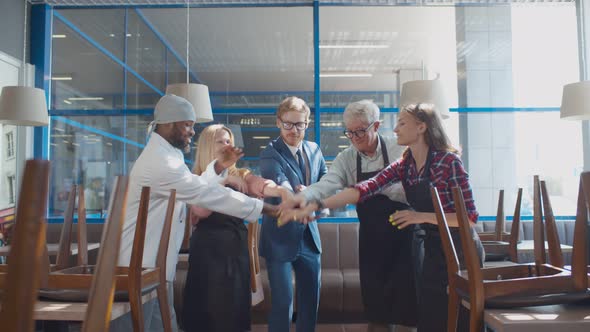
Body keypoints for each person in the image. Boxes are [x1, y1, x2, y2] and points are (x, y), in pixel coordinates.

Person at [280, 103, 484, 332]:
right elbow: (365, 188)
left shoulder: (448, 162)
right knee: (431, 321)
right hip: (433, 248)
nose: (395, 129)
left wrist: (419, 216)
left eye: (402, 123)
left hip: (461, 249)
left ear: (421, 127)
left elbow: (470, 218)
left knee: (459, 321)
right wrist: (316, 204)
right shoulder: (404, 165)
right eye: (350, 132)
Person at [110, 94, 278, 332]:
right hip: (140, 268)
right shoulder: (160, 162)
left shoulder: (169, 156)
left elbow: (195, 185)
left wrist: (219, 167)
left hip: (154, 269)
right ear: (168, 124)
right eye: (187, 125)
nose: (192, 132)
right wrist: (266, 208)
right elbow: (204, 194)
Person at [281, 100, 419, 332]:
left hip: (405, 241)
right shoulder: (347, 158)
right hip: (372, 244)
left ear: (376, 125)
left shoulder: (400, 150)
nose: (355, 138)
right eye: (350, 133)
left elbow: (405, 189)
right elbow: (329, 183)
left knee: (408, 310)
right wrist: (305, 198)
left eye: (361, 131)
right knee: (377, 313)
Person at [182, 124, 292, 332]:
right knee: (206, 310)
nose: (227, 145)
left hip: (234, 248)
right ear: (207, 146)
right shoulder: (195, 177)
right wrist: (222, 178)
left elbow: (258, 183)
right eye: (221, 141)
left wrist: (280, 191)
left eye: (229, 141)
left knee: (234, 310)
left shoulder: (241, 174)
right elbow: (201, 211)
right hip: (207, 250)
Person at [259, 96, 327, 332]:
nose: (293, 130)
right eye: (288, 124)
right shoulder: (269, 153)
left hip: (310, 239)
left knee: (310, 304)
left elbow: (326, 186)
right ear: (278, 122)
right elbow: (282, 185)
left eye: (299, 124)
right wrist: (301, 196)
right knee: (283, 304)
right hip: (279, 239)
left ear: (307, 124)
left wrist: (314, 197)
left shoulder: (315, 150)